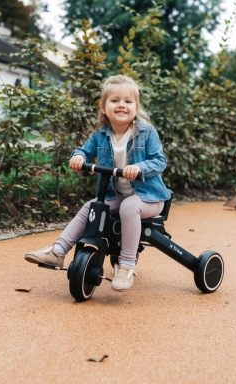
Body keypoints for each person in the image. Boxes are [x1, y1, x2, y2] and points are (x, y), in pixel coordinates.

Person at [25, 75, 170, 292]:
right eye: (115, 101)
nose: (121, 105)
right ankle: (57, 251)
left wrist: (140, 168)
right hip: (117, 196)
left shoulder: (146, 132)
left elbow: (160, 161)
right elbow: (84, 150)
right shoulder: (101, 135)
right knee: (91, 207)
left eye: (128, 101)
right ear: (103, 107)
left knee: (130, 207)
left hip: (149, 197)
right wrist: (79, 157)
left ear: (136, 107)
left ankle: (127, 265)